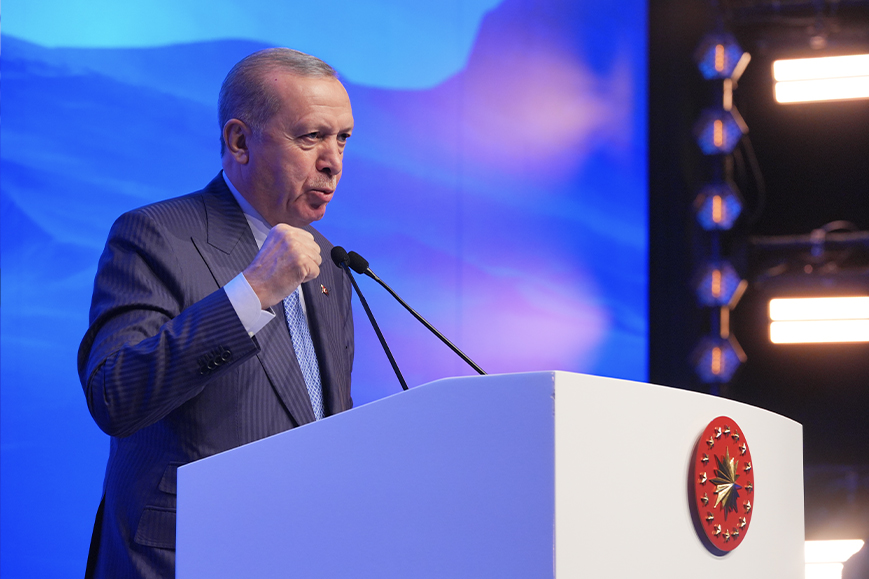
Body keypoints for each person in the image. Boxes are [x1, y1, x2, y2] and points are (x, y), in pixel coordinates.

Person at [77, 48, 356, 579]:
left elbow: (320, 421)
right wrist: (252, 292)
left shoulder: (330, 264)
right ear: (239, 141)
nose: (333, 161)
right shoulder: (155, 235)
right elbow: (115, 395)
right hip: (182, 556)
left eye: (342, 138)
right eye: (311, 137)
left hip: (298, 554)